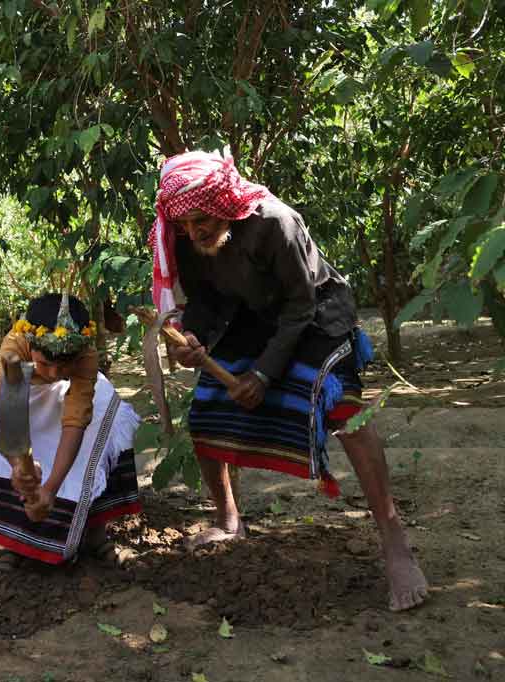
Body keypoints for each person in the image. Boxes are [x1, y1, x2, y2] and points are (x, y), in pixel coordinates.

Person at [148, 150, 428, 611]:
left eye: (202, 220)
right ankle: (229, 519)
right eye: (184, 224)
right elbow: (205, 301)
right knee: (207, 409)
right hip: (251, 320)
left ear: (225, 202)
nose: (194, 232)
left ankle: (394, 540)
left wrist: (261, 374)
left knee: (345, 412)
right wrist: (192, 338)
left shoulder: (277, 222)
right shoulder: (186, 237)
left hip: (315, 314)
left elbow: (300, 306)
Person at [0, 293, 142, 570]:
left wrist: (50, 489)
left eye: (63, 365)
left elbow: (75, 421)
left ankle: (96, 534)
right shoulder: (14, 348)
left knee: (105, 427)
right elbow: (12, 419)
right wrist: (19, 467)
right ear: (30, 346)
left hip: (73, 396)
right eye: (45, 363)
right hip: (19, 396)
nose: (53, 373)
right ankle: (17, 543)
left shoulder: (86, 356)